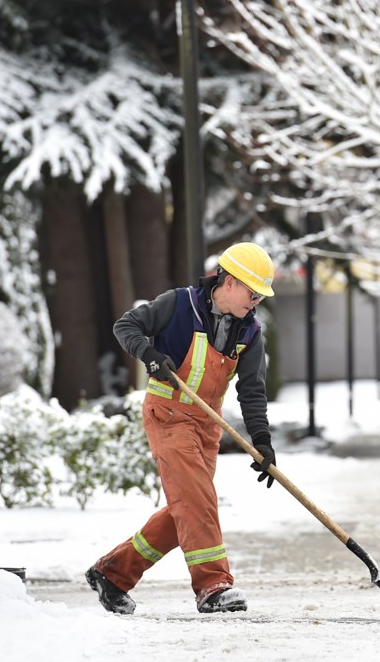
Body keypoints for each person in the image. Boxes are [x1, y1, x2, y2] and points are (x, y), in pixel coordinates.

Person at [86, 241, 278, 615]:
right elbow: (126, 326)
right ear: (230, 282)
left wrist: (263, 442)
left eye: (260, 297)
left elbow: (252, 390)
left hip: (207, 427)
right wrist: (150, 356)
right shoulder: (178, 305)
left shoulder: (250, 332)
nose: (255, 303)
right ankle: (213, 585)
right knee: (197, 501)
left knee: (184, 510)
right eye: (253, 293)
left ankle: (112, 573)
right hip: (168, 416)